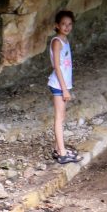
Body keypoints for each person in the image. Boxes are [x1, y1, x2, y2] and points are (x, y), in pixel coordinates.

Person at [47, 9, 79, 164]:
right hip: (59, 85)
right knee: (59, 118)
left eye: (69, 24)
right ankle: (62, 153)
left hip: (63, 84)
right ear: (57, 25)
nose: (66, 27)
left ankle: (58, 148)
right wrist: (65, 88)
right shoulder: (57, 42)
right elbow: (57, 67)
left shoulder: (65, 40)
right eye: (63, 24)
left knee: (62, 117)